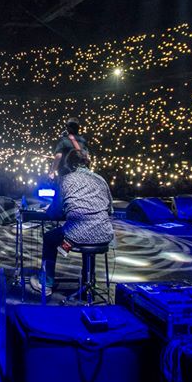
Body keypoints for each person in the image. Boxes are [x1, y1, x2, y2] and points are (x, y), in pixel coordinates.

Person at [33, 149, 115, 296]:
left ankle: (46, 283)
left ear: (69, 164)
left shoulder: (65, 180)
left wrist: (57, 209)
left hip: (76, 234)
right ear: (88, 163)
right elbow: (110, 210)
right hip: (104, 234)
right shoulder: (100, 179)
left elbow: (55, 212)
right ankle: (88, 282)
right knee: (90, 235)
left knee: (49, 238)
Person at [45, 117, 90, 220]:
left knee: (61, 192)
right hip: (82, 174)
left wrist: (51, 172)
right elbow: (87, 157)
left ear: (68, 128)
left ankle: (56, 211)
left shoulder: (64, 140)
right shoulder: (83, 140)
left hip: (66, 173)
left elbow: (58, 156)